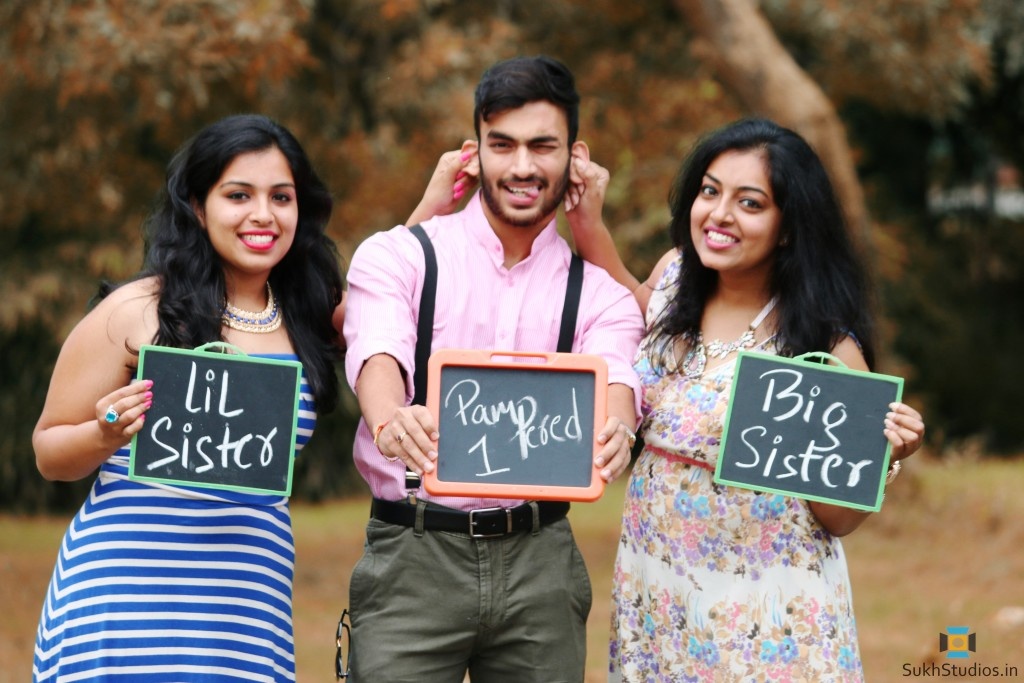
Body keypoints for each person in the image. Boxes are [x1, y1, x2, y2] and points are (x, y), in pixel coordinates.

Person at [564, 117, 925, 681]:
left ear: (788, 227)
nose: (719, 215)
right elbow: (626, 302)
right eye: (710, 192)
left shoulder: (821, 346)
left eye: (750, 203)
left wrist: (888, 455)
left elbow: (836, 519)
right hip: (659, 592)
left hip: (765, 616)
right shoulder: (673, 278)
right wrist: (587, 222)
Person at [342, 55, 646, 682]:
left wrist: (617, 423)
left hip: (540, 560)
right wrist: (389, 416)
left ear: (575, 157)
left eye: (543, 146)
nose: (523, 166)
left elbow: (618, 373)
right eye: (502, 145)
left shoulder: (601, 294)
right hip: (412, 553)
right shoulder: (398, 254)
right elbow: (376, 347)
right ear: (474, 152)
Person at [31, 114, 345, 682]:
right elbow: (50, 452)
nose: (262, 215)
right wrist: (104, 432)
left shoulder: (312, 317)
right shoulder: (136, 310)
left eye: (281, 197)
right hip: (121, 609)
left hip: (246, 617)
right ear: (199, 207)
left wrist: (431, 205)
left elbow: (399, 286)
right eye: (238, 195)